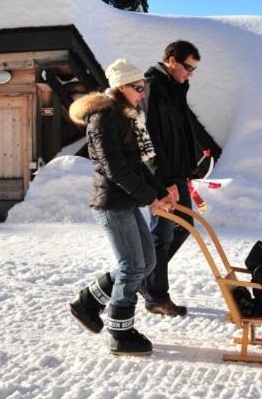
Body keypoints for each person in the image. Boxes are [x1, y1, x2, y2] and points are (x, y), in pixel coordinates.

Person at [67, 59, 177, 356]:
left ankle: (88, 302)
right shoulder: (103, 118)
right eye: (138, 87)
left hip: (126, 200)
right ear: (120, 87)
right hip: (111, 203)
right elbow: (116, 169)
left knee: (147, 263)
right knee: (131, 266)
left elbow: (137, 166)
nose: (142, 93)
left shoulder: (125, 115)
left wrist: (160, 192)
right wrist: (150, 198)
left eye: (144, 87)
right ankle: (120, 333)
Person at [140, 40, 223, 317]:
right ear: (171, 60)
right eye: (187, 67)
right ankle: (155, 294)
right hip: (163, 177)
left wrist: (191, 163)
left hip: (178, 173)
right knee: (162, 234)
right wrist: (161, 181)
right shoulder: (153, 87)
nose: (190, 73)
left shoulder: (176, 89)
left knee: (185, 224)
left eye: (194, 69)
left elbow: (180, 131)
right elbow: (150, 137)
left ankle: (144, 279)